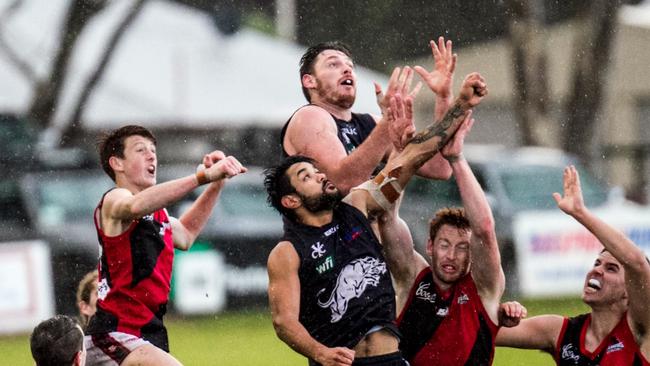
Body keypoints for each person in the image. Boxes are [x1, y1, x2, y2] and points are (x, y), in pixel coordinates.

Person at [265, 73, 487, 366]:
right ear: (291, 200)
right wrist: (319, 352)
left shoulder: (357, 205)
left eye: (317, 170)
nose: (320, 175)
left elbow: (412, 157)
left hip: (390, 359)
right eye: (306, 177)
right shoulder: (286, 253)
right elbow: (284, 322)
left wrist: (459, 105)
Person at [84, 125, 246, 366]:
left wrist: (216, 183)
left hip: (149, 331)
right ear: (117, 163)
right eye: (141, 150)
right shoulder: (114, 198)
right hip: (115, 331)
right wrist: (201, 177)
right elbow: (135, 207)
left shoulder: (159, 213)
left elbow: (187, 235)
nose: (151, 156)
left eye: (153, 150)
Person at [377, 113, 507, 365]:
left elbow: (485, 228)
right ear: (430, 246)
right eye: (444, 245)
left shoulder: (484, 288)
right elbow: (388, 218)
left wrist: (456, 159)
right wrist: (402, 153)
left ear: (472, 254)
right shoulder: (412, 277)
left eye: (462, 248)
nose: (451, 255)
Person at [496, 166, 650, 365]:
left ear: (629, 292)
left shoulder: (640, 330)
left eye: (611, 268)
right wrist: (501, 314)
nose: (597, 270)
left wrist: (580, 213)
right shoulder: (559, 331)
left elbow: (637, 264)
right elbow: (480, 330)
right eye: (597, 263)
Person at [281, 38, 458, 194]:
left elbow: (439, 168)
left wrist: (443, 98)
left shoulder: (370, 123)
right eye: (333, 64)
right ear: (309, 81)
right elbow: (344, 183)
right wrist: (388, 119)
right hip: (323, 232)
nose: (347, 70)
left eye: (350, 66)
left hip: (363, 231)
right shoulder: (308, 117)